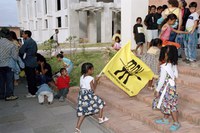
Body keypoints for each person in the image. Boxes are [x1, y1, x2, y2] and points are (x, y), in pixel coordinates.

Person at [152, 45, 180, 131]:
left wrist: (157, 90)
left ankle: (176, 122)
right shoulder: (173, 65)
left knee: (171, 106)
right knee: (167, 103)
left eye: (165, 53)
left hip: (165, 88)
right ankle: (165, 118)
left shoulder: (164, 67)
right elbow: (176, 75)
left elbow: (161, 80)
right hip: (171, 88)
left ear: (167, 55)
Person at [75, 63, 109, 133]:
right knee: (101, 103)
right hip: (88, 95)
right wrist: (96, 80)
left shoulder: (82, 77)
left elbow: (82, 86)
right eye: (92, 69)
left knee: (83, 112)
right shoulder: (90, 78)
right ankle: (100, 118)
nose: (93, 70)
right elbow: (93, 89)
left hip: (82, 95)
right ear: (88, 70)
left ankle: (77, 128)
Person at [0, 28, 18, 101]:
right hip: (8, 65)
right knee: (9, 81)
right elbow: (15, 57)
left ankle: (1, 94)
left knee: (1, 80)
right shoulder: (11, 44)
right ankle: (9, 95)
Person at [19, 30, 38, 98]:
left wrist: (21, 47)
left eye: (23, 34)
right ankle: (35, 91)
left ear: (27, 35)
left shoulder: (27, 41)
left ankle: (31, 92)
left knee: (30, 78)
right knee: (33, 77)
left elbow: (21, 51)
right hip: (33, 61)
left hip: (28, 62)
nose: (22, 36)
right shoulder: (33, 41)